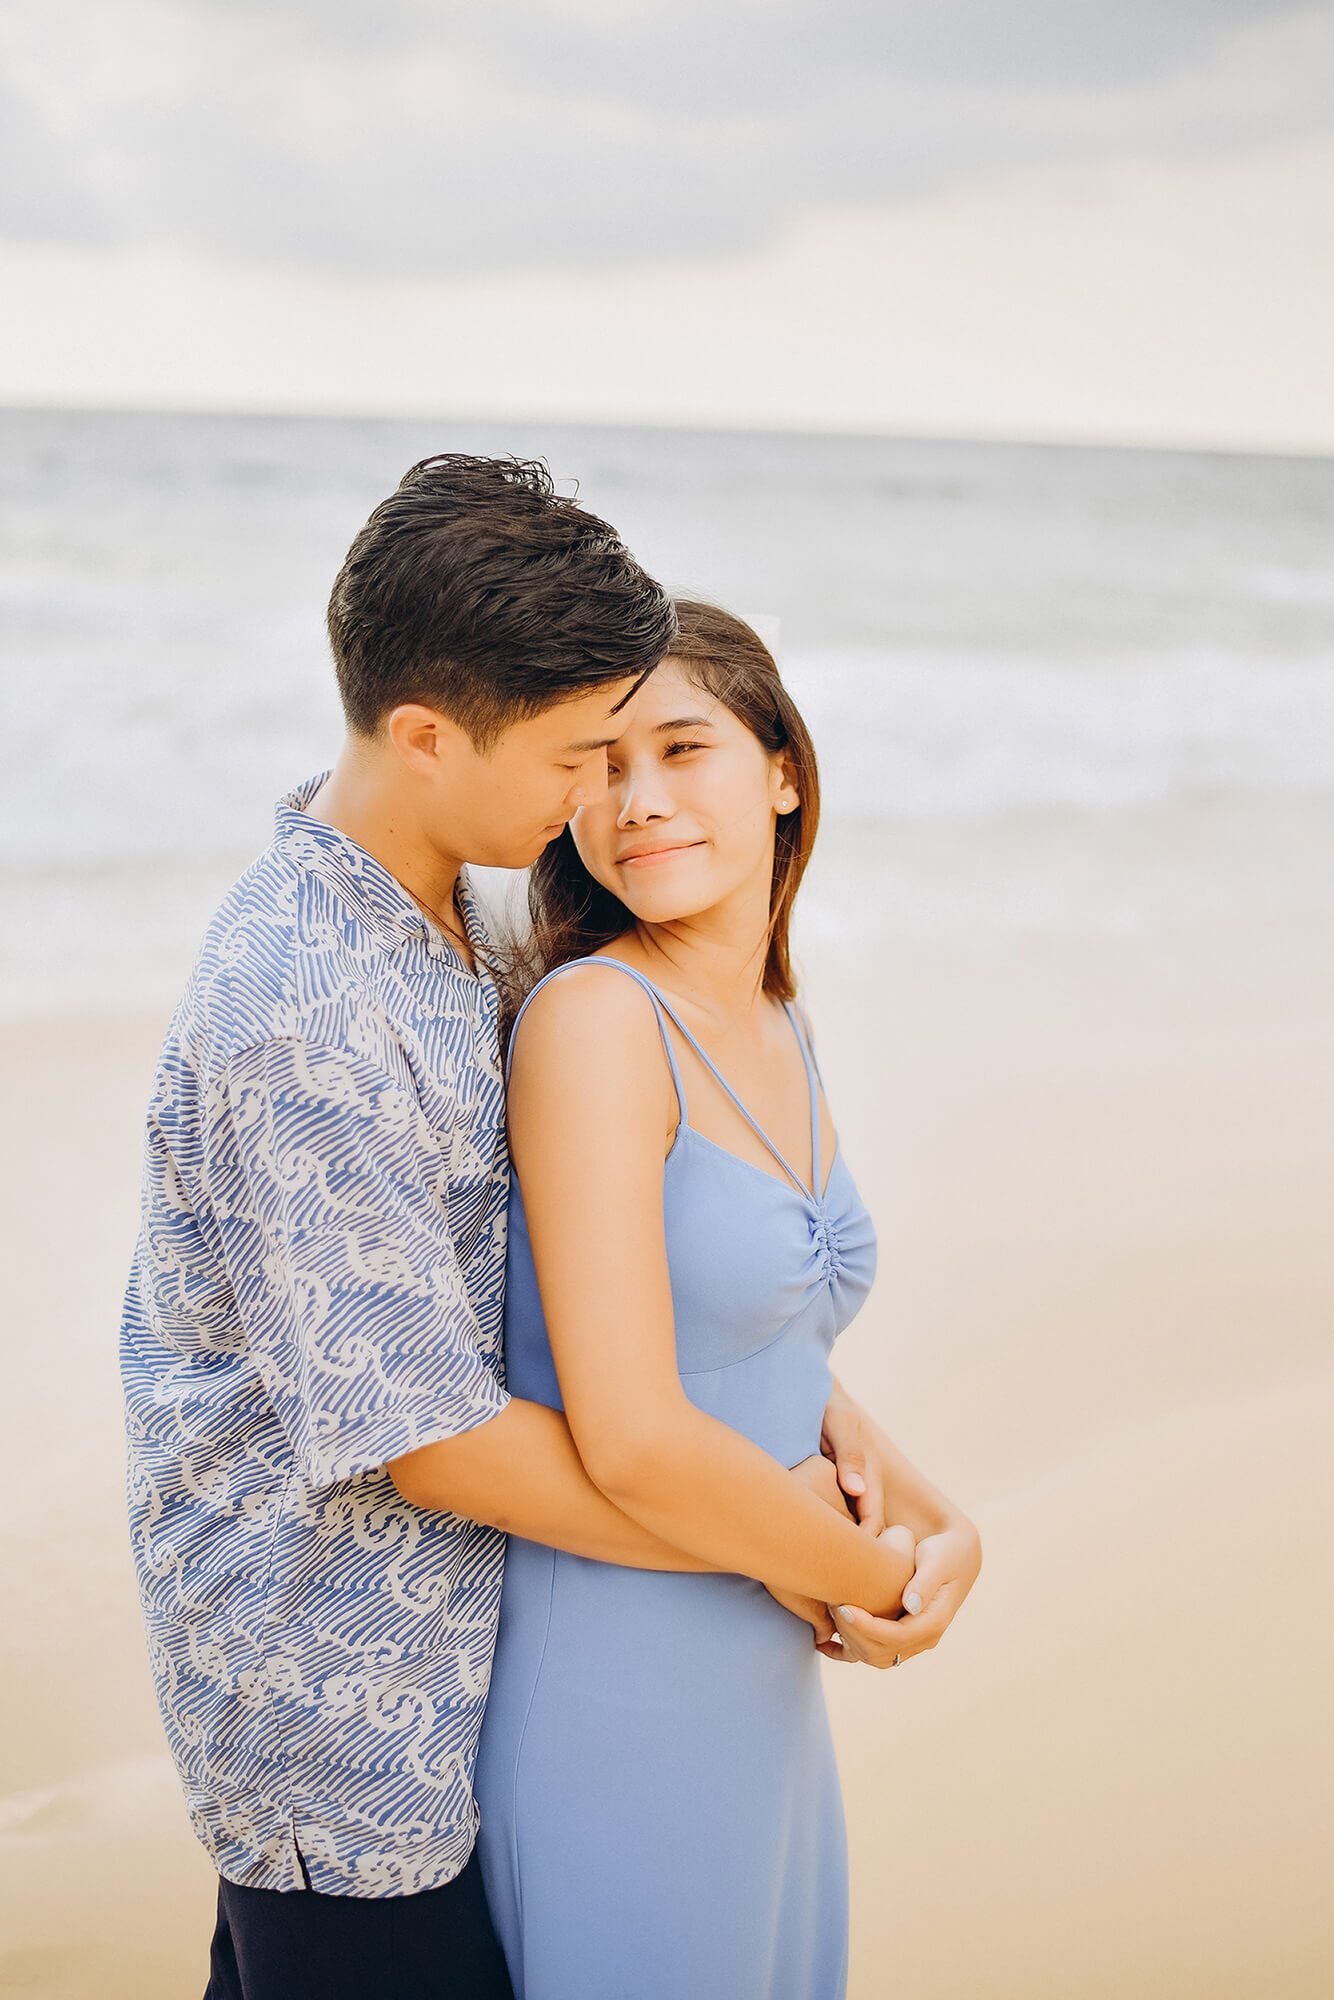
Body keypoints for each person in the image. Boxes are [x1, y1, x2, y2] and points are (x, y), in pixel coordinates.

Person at [121, 458, 934, 2000]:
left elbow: (627, 1268)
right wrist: (792, 1553)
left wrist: (825, 1491)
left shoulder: (461, 921)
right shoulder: (303, 1010)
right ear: (427, 738)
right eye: (574, 755)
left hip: (487, 1654)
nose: (599, 803)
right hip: (346, 1716)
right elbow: (426, 1438)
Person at [475, 602, 982, 2000]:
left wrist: (946, 1527)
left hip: (760, 1673)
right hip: (619, 1669)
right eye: (599, 766)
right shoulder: (591, 1023)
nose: (634, 802)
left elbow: (754, 1328)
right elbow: (631, 1434)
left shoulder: (772, 1018)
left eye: (680, 749)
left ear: (781, 772)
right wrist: (879, 1582)